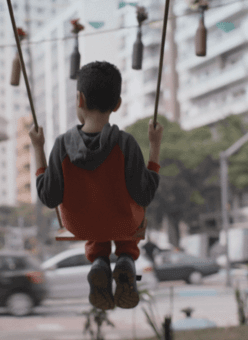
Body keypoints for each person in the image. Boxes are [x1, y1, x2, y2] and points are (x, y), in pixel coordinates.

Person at [29, 61, 164, 311]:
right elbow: (144, 194)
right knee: (129, 217)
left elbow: (49, 197)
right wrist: (155, 145)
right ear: (117, 104)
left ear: (79, 99)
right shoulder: (126, 144)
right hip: (122, 222)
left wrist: (38, 147)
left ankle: (99, 262)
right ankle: (125, 258)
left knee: (96, 218)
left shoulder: (61, 146)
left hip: (79, 223)